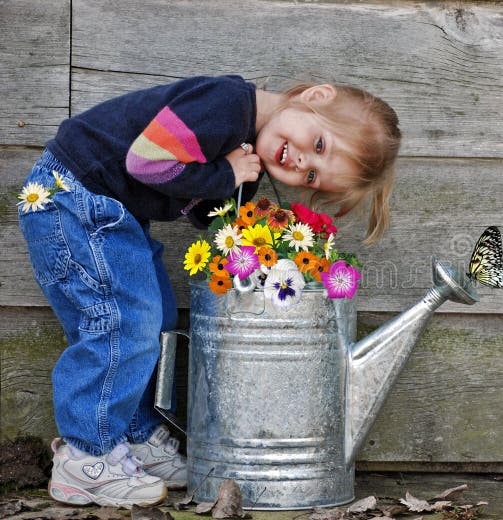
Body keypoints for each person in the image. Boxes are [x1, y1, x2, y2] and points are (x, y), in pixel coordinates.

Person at [17, 75, 401, 508]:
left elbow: (203, 213)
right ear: (314, 98)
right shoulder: (228, 105)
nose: (300, 164)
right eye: (318, 144)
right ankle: (87, 454)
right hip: (73, 197)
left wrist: (244, 210)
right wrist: (225, 173)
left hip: (112, 213)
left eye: (312, 174)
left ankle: (136, 435)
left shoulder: (248, 150)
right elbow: (146, 161)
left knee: (156, 318)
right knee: (122, 325)